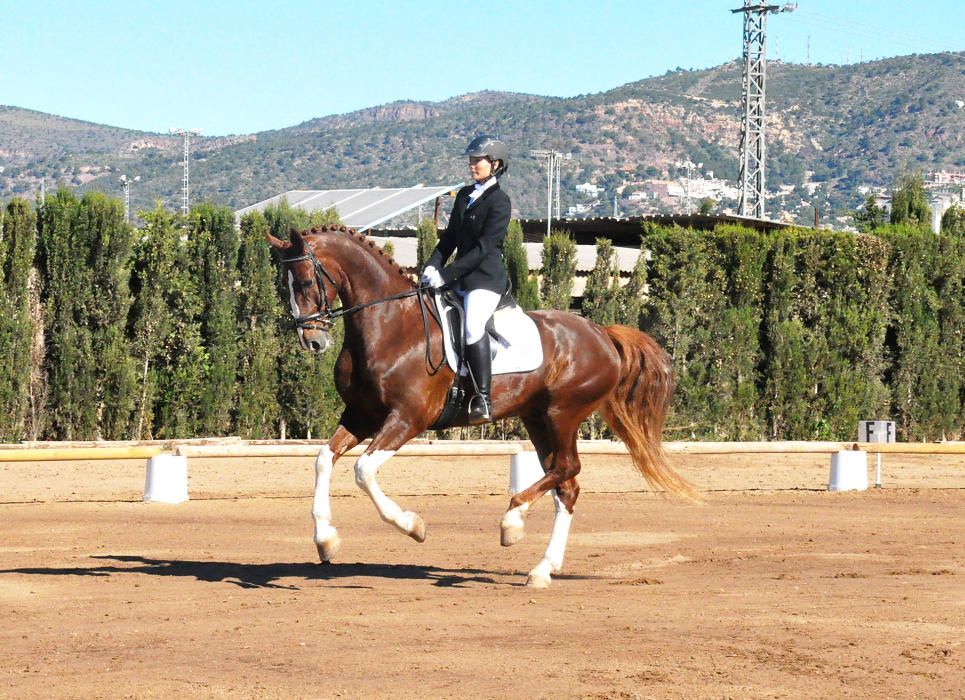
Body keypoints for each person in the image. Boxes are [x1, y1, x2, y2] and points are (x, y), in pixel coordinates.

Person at [422, 135, 512, 425]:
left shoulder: (500, 202)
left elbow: (486, 248)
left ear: (495, 164)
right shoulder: (464, 196)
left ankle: (483, 398)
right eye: (471, 160)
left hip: (485, 280)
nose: (472, 165)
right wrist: (431, 266)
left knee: (473, 327)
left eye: (478, 161)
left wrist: (446, 274)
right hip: (459, 278)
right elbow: (449, 239)